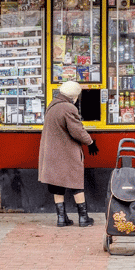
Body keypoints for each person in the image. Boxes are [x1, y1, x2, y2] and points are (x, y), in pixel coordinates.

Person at [38, 81, 98, 227]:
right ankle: (83, 218)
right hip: (66, 152)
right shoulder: (68, 108)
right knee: (76, 183)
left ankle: (61, 219)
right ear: (74, 95)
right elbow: (77, 131)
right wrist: (90, 142)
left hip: (52, 152)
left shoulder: (52, 105)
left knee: (57, 185)